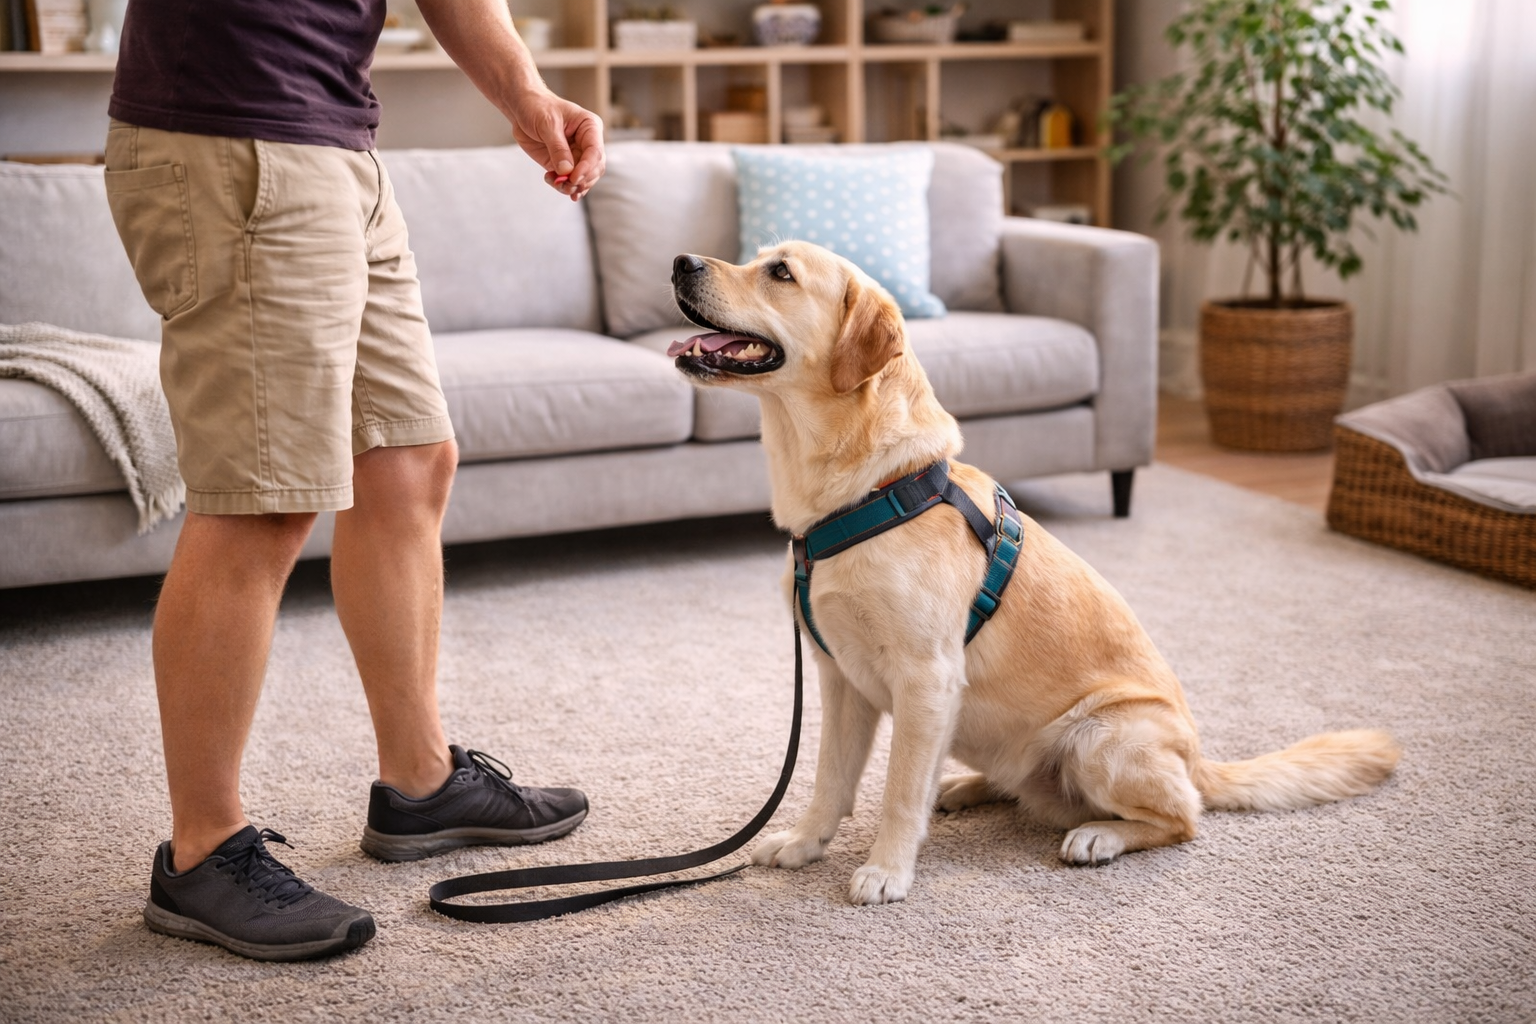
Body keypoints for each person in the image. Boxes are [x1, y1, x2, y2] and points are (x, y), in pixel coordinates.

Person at [102, 0, 605, 961]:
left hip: (336, 141)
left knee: (409, 461)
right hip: (232, 134)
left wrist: (525, 92)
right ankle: (202, 852)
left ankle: (420, 784)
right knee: (264, 496)